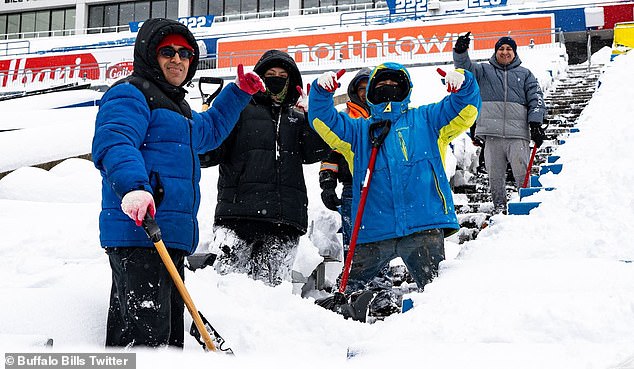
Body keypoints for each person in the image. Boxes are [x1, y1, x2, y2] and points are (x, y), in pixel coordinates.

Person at [91, 18, 265, 348]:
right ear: (148, 55)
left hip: (167, 237)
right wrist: (134, 187)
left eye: (185, 53)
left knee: (167, 339)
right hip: (139, 232)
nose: (177, 60)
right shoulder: (130, 94)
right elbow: (114, 142)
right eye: (167, 51)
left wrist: (238, 93)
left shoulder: (178, 106)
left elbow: (208, 133)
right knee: (145, 340)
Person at [308, 62, 481, 320]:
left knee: (438, 296)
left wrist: (464, 83)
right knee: (349, 297)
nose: (387, 88)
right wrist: (321, 94)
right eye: (381, 85)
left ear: (405, 89)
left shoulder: (428, 119)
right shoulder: (358, 131)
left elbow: (466, 108)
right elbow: (323, 120)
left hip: (423, 224)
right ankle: (341, 336)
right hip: (373, 229)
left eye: (394, 84)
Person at [199, 49, 329, 287]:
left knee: (271, 297)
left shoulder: (297, 117)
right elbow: (208, 152)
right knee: (226, 289)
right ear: (260, 76)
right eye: (270, 73)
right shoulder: (238, 110)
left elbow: (315, 152)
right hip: (237, 217)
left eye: (282, 74)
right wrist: (207, 122)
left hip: (284, 220)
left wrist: (314, 118)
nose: (276, 77)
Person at [453, 33, 547, 214]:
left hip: (518, 135)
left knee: (522, 173)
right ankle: (500, 208)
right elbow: (464, 68)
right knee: (495, 176)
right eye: (501, 49)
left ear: (515, 52)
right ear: (495, 52)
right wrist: (460, 51)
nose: (505, 52)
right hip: (492, 134)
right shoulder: (483, 71)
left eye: (509, 49)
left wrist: (535, 124)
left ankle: (527, 205)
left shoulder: (525, 74)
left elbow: (536, 98)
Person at [319, 67, 371, 251]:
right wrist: (327, 185)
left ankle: (381, 279)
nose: (365, 92)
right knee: (353, 242)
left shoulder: (387, 117)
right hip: (351, 187)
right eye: (361, 88)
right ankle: (353, 277)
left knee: (380, 241)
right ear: (354, 91)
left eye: (369, 87)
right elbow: (329, 155)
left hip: (381, 187)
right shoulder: (344, 118)